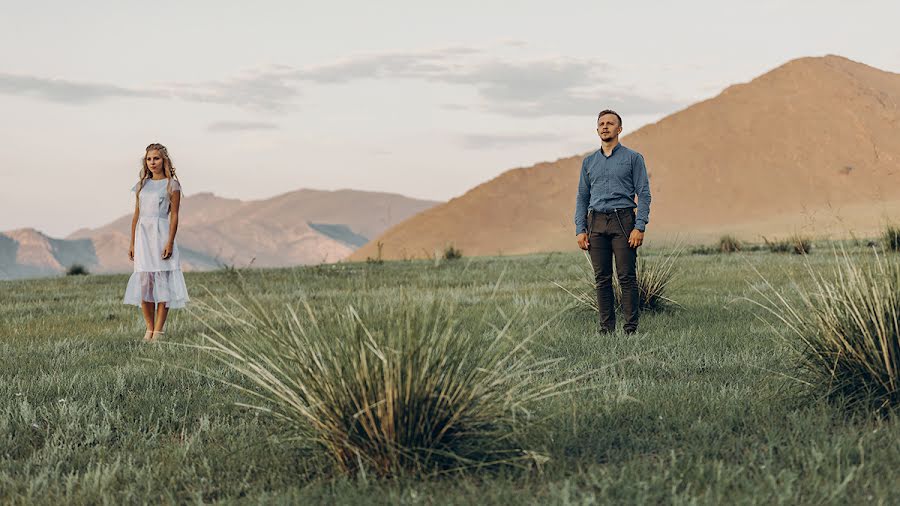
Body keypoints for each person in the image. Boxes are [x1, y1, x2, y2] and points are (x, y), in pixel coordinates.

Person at [575, 110, 651, 334]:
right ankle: (606, 330)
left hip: (623, 219)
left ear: (619, 129)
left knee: (626, 276)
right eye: (601, 124)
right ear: (597, 129)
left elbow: (644, 194)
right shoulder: (589, 162)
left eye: (610, 123)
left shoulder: (633, 158)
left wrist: (640, 226)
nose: (605, 127)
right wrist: (580, 228)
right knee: (602, 279)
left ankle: (630, 330)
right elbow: (582, 196)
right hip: (596, 221)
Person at [123, 143, 189, 341]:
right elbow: (136, 215)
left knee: (162, 282)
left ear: (164, 160)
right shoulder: (141, 186)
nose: (152, 162)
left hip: (160, 236)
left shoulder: (172, 185)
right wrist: (132, 243)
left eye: (156, 158)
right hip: (143, 237)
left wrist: (170, 242)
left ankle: (159, 331)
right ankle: (149, 329)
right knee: (144, 283)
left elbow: (175, 216)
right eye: (149, 159)